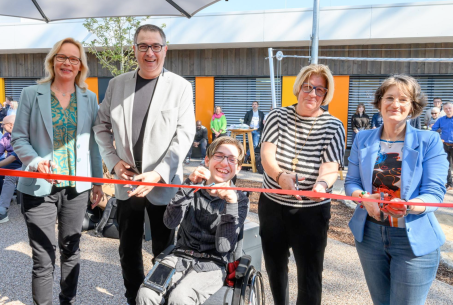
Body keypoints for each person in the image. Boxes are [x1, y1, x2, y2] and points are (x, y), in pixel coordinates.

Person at [93, 24, 195, 305]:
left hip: (162, 184)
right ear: (134, 50)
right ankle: (134, 298)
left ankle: (159, 298)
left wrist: (159, 174)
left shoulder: (181, 87)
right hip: (127, 182)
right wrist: (113, 163)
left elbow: (184, 136)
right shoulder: (117, 84)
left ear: (165, 49)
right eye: (143, 46)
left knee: (165, 250)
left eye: (155, 46)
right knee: (128, 249)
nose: (149, 53)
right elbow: (100, 127)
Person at [11, 37, 104, 304]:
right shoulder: (31, 93)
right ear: (53, 61)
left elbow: (94, 145)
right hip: (39, 187)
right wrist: (34, 161)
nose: (67, 62)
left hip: (76, 189)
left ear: (80, 66)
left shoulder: (89, 98)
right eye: (62, 57)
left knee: (71, 249)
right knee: (43, 255)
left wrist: (96, 182)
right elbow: (19, 138)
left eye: (74, 58)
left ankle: (68, 300)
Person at [345, 75, 447, 305]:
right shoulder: (362, 139)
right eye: (389, 97)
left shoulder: (429, 140)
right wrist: (363, 198)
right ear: (380, 102)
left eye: (403, 99)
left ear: (413, 106)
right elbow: (351, 183)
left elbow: (434, 192)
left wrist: (410, 205)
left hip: (412, 240)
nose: (395, 104)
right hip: (370, 236)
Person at [259, 64, 345, 304]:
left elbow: (330, 168)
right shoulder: (277, 116)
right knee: (275, 268)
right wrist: (280, 177)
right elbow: (267, 155)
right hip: (273, 206)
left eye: (320, 89)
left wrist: (321, 187)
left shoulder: (334, 125)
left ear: (326, 94)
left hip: (311, 211)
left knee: (310, 274)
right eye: (308, 87)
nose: (313, 94)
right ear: (298, 88)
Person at [136, 136, 249, 305]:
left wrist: (230, 203)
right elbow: (170, 223)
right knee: (146, 294)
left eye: (232, 159)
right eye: (219, 156)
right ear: (207, 160)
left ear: (238, 168)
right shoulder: (192, 186)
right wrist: (188, 185)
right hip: (179, 256)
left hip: (213, 264)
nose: (225, 163)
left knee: (180, 298)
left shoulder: (239, 199)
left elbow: (224, 247)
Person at [0, 115, 22, 224]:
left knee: (10, 175)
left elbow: (14, 156)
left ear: (11, 125)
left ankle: (2, 211)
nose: (2, 125)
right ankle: (3, 198)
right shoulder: (5, 136)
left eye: (3, 124)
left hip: (25, 166)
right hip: (10, 164)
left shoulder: (22, 136)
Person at [432, 102, 453, 191]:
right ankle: (450, 183)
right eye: (446, 109)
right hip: (445, 145)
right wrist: (438, 138)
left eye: (449, 108)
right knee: (447, 165)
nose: (448, 110)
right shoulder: (441, 120)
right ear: (443, 110)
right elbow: (433, 130)